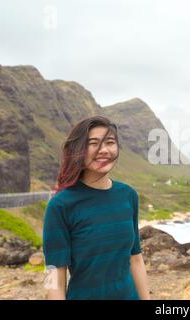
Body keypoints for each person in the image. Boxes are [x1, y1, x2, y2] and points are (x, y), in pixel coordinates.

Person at [42, 115, 150, 300]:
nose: (104, 150)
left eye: (110, 142)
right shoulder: (61, 205)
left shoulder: (128, 195)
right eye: (94, 143)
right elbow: (53, 272)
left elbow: (136, 259)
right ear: (78, 150)